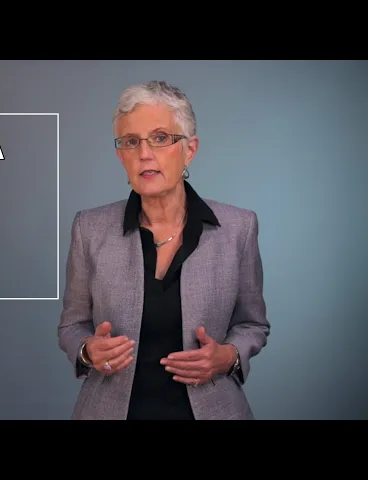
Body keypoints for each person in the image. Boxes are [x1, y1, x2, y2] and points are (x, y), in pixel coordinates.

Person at [58, 80, 270, 420]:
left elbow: (252, 324)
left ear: (189, 149)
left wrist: (228, 356)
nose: (144, 154)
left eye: (160, 138)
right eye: (131, 142)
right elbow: (72, 326)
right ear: (121, 155)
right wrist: (87, 351)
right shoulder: (89, 228)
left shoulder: (238, 228)